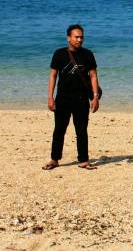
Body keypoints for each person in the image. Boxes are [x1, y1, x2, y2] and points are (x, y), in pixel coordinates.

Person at [42, 24, 101, 170]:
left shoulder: (88, 54)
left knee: (81, 130)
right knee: (59, 130)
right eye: (76, 37)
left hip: (81, 99)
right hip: (63, 98)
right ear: (69, 38)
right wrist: (50, 97)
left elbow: (93, 76)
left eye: (81, 37)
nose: (80, 39)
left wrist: (95, 97)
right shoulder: (59, 54)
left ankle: (83, 160)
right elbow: (53, 76)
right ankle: (54, 159)